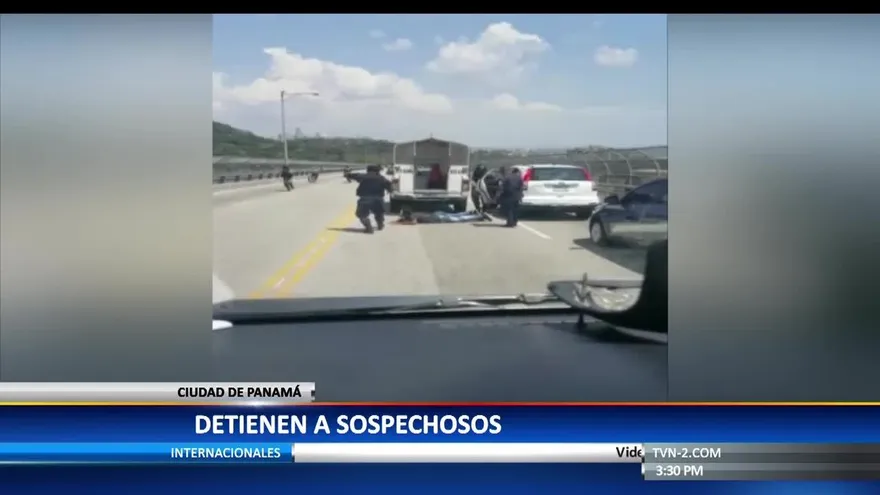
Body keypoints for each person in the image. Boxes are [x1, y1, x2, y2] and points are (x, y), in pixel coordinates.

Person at [350, 164, 393, 233]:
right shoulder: (381, 178)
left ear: (368, 170)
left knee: (361, 214)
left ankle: (368, 226)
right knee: (379, 212)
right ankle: (380, 224)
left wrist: (348, 175)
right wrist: (390, 190)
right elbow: (389, 185)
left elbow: (353, 176)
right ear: (378, 171)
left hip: (365, 199)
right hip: (378, 199)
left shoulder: (363, 176)